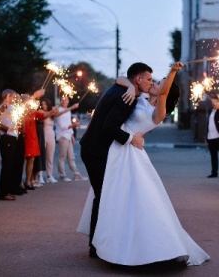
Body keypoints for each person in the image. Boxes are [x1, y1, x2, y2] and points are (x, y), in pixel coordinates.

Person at [78, 62, 210, 266]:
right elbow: (123, 78)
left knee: (126, 199)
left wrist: (173, 71)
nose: (156, 82)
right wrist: (131, 85)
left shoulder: (159, 111)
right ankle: (104, 243)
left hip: (129, 152)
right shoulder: (139, 96)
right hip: (116, 149)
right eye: (152, 79)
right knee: (110, 197)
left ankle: (122, 245)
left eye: (160, 82)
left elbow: (163, 91)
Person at [80, 62, 153, 258]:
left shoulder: (121, 87)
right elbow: (109, 127)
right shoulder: (127, 98)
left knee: (101, 196)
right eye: (149, 79)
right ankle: (97, 245)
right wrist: (132, 138)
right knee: (104, 197)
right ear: (138, 79)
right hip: (97, 151)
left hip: (90, 148)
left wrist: (128, 84)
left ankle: (96, 243)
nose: (151, 82)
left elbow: (121, 77)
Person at [55, 96, 87, 182]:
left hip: (68, 136)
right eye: (62, 99)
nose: (63, 101)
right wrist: (74, 125)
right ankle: (62, 175)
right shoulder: (59, 110)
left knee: (71, 157)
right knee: (62, 156)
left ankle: (77, 175)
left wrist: (72, 135)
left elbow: (68, 124)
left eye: (65, 99)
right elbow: (62, 127)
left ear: (68, 101)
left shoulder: (68, 111)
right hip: (62, 136)